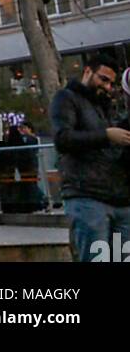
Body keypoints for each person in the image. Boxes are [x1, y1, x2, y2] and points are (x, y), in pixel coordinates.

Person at [50, 51, 130, 261]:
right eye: (103, 79)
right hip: (87, 195)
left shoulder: (106, 107)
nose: (107, 87)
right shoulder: (66, 98)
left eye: (111, 83)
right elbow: (63, 139)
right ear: (87, 72)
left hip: (119, 197)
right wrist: (106, 136)